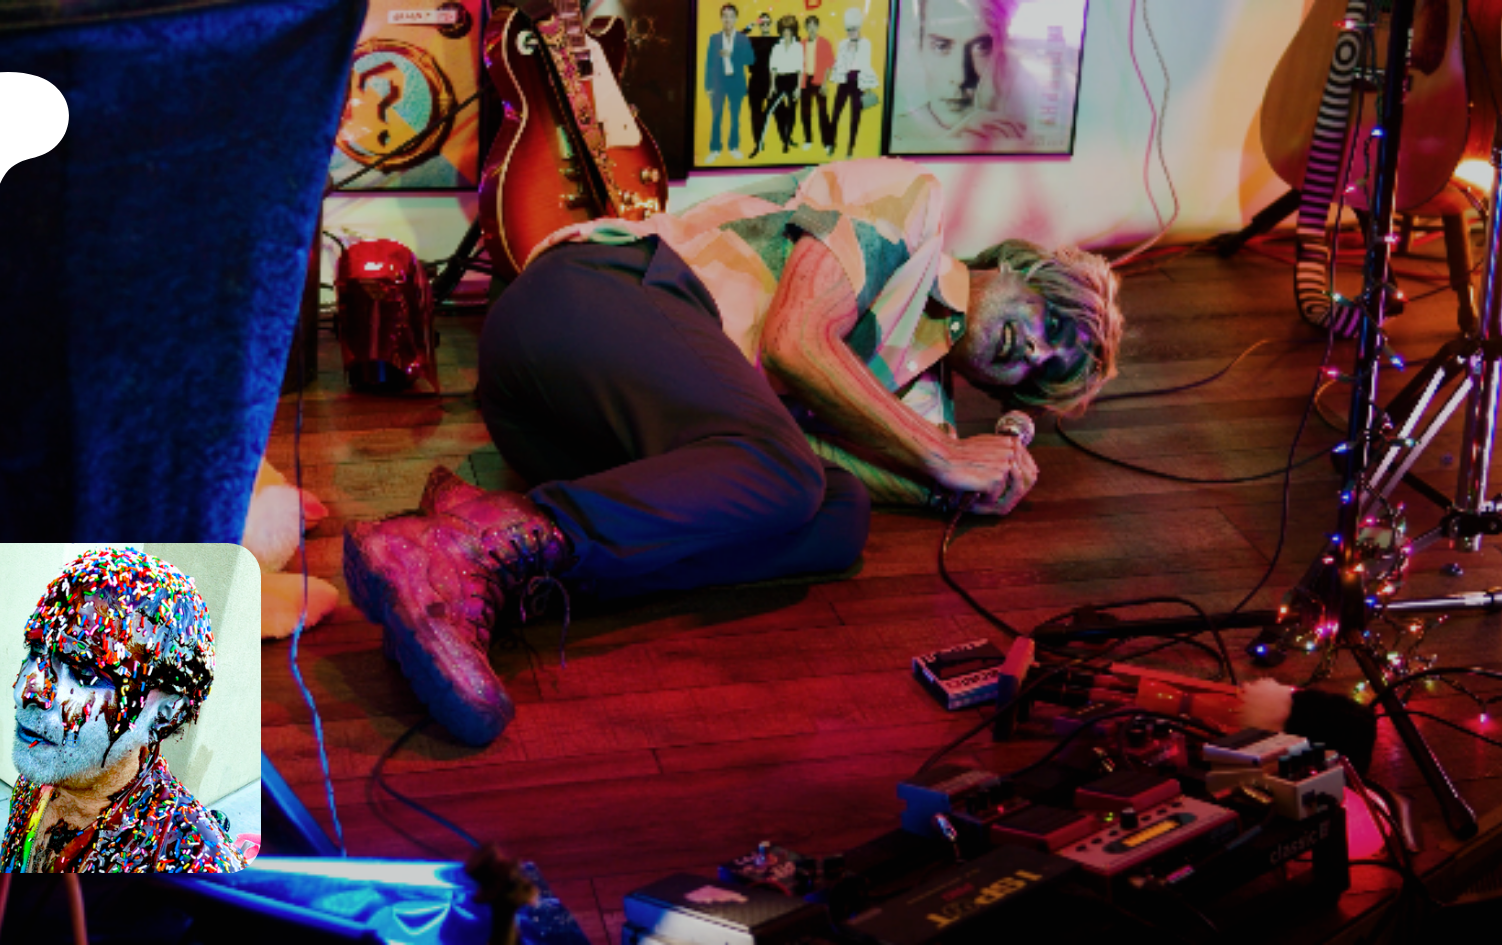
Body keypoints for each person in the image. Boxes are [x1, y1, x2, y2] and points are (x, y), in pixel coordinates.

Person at [344, 158, 1123, 748]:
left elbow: (805, 454)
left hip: (576, 438)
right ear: (1018, 265)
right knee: (786, 472)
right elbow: (794, 344)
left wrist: (961, 475)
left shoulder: (916, 396)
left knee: (837, 514)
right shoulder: (910, 208)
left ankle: (496, 557)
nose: (1035, 350)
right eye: (1052, 321)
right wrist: (943, 459)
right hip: (587, 299)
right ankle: (474, 549)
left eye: (1042, 372)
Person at [0, 547, 242, 872]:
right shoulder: (35, 783)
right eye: (34, 649)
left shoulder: (195, 864)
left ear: (165, 713)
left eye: (83, 672)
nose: (25, 691)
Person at [891, 0, 1029, 153]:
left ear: (1002, 51)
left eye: (981, 47)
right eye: (941, 46)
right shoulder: (891, 134)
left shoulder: (1025, 135)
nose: (960, 77)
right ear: (918, 45)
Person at [824, 7, 879, 158]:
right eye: (848, 29)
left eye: (853, 29)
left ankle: (850, 148)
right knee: (835, 113)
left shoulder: (865, 43)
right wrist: (847, 52)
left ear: (859, 28)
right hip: (844, 80)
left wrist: (866, 86)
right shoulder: (843, 44)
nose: (851, 32)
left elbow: (865, 64)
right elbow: (840, 64)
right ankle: (831, 144)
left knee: (855, 117)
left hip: (858, 81)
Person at [703, 4, 754, 162]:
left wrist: (732, 54)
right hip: (718, 83)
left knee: (735, 117)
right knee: (716, 117)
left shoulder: (743, 39)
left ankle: (734, 147)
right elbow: (709, 63)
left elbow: (750, 59)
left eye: (731, 16)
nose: (728, 19)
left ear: (736, 19)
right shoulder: (714, 38)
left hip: (736, 82)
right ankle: (715, 149)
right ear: (721, 18)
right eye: (725, 16)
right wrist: (708, 86)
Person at [751, 15, 805, 156]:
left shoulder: (798, 46)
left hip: (793, 80)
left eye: (789, 29)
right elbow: (773, 68)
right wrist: (772, 86)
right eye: (784, 30)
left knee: (791, 113)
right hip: (780, 80)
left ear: (793, 30)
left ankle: (786, 141)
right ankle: (759, 145)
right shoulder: (777, 47)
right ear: (781, 30)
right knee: (768, 112)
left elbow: (800, 68)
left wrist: (798, 88)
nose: (786, 32)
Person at [743, 12, 779, 158]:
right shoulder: (752, 40)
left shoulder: (776, 40)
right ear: (759, 25)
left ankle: (785, 141)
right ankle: (758, 144)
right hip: (756, 81)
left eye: (767, 23)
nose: (765, 26)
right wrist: (747, 29)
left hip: (773, 81)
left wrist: (779, 25)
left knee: (780, 112)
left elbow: (795, 38)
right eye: (762, 23)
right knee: (756, 114)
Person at [799, 15, 836, 152]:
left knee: (822, 112)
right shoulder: (802, 44)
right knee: (805, 112)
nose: (812, 29)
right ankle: (808, 140)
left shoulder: (824, 43)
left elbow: (828, 64)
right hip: (805, 81)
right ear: (806, 28)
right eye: (809, 26)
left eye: (814, 25)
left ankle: (827, 143)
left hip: (819, 81)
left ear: (818, 27)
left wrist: (824, 83)